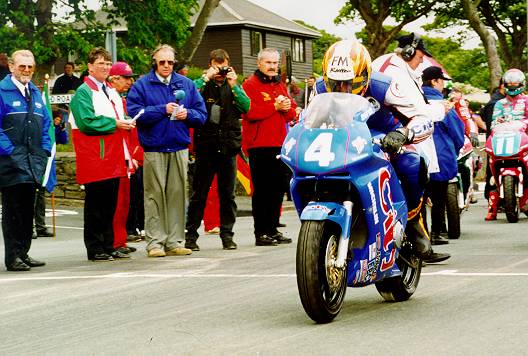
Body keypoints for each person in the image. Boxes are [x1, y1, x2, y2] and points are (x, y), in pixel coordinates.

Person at [315, 39, 449, 263]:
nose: (343, 89)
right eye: (335, 82)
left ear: (365, 75)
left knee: (412, 165)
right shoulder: (319, 88)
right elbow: (308, 120)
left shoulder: (384, 86)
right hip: (341, 139)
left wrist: (404, 134)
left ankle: (413, 223)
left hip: (384, 136)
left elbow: (422, 117)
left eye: (350, 82)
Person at [127, 44, 207, 257]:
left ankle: (175, 241)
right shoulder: (142, 85)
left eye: (170, 62)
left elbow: (201, 115)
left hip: (179, 147)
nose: (166, 66)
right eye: (162, 62)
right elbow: (135, 114)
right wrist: (162, 109)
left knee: (178, 194)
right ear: (155, 62)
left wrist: (187, 114)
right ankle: (155, 242)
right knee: (154, 196)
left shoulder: (186, 85)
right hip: (154, 148)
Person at [69, 47, 136, 261]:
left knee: (110, 205)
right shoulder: (83, 92)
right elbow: (86, 122)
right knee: (95, 205)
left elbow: (117, 116)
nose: (106, 67)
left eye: (108, 64)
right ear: (90, 67)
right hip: (94, 156)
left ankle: (109, 244)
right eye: (101, 63)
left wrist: (124, 121)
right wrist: (115, 123)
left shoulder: (110, 91)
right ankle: (95, 247)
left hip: (113, 155)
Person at [184, 49, 250, 251]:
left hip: (228, 147)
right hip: (206, 146)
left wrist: (234, 85)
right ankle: (191, 236)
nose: (221, 68)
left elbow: (246, 106)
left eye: (223, 64)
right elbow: (187, 97)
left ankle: (227, 235)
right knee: (199, 194)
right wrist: (206, 78)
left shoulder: (233, 85)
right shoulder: (202, 84)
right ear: (211, 64)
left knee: (227, 195)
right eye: (217, 64)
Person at [0, 49, 51, 271]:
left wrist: (45, 149)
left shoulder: (36, 93)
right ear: (12, 67)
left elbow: (46, 124)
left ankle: (24, 252)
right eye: (22, 66)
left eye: (30, 66)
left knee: (27, 209)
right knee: (13, 211)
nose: (27, 70)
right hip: (10, 162)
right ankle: (13, 256)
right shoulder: (2, 91)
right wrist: (10, 151)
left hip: (33, 161)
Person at [242, 48, 297, 246]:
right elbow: (249, 112)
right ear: (259, 64)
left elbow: (290, 113)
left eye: (275, 63)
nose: (273, 67)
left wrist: (287, 108)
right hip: (259, 145)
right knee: (262, 190)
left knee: (277, 189)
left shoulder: (279, 84)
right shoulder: (250, 85)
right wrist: (273, 107)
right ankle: (261, 232)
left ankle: (273, 229)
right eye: (269, 63)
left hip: (280, 144)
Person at [421, 66, 465, 245]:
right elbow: (458, 134)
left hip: (417, 157)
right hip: (441, 157)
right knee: (439, 197)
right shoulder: (443, 106)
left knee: (419, 199)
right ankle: (436, 232)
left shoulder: (415, 102)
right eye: (442, 82)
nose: (443, 86)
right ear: (434, 81)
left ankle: (421, 237)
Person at [485, 68, 528, 221]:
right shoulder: (499, 103)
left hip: (524, 139)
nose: (512, 88)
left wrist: (520, 123)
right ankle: (493, 206)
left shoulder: (526, 100)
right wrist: (499, 122)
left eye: (515, 85)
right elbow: (494, 123)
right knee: (491, 167)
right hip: (505, 140)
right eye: (509, 85)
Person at [107, 61, 140, 255]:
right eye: (126, 78)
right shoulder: (111, 97)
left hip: (126, 155)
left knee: (125, 202)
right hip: (116, 156)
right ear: (114, 78)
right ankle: (114, 242)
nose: (130, 81)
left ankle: (120, 241)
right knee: (117, 203)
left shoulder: (121, 99)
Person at [32, 107, 69, 239]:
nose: (58, 121)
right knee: (32, 197)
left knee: (41, 197)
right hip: (36, 161)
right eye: (56, 119)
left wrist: (61, 129)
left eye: (59, 119)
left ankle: (40, 226)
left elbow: (63, 141)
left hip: (46, 164)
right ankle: (29, 227)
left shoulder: (54, 130)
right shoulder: (40, 126)